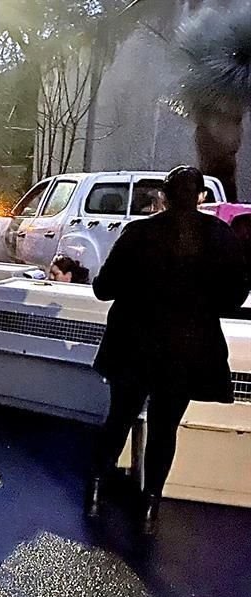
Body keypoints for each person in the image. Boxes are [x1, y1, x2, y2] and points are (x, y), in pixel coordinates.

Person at [87, 166, 250, 535]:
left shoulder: (139, 233)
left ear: (163, 196)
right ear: (202, 197)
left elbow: (104, 288)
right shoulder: (220, 237)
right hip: (188, 351)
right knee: (165, 429)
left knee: (119, 418)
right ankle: (150, 506)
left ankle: (96, 490)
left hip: (133, 345)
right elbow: (234, 297)